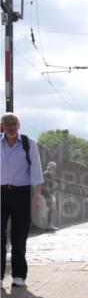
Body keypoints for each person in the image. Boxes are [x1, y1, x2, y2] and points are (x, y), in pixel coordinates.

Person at [1, 113, 45, 287]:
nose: (11, 127)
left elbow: (37, 171)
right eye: (7, 124)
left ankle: (19, 275)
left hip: (21, 193)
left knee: (19, 236)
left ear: (19, 125)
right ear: (2, 125)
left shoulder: (28, 144)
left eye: (14, 123)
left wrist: (37, 196)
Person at [41, 161, 58, 231]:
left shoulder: (50, 176)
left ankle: (50, 224)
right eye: (52, 169)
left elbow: (52, 186)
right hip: (44, 194)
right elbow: (44, 186)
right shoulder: (44, 175)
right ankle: (49, 225)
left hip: (49, 194)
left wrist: (52, 194)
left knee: (52, 208)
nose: (53, 170)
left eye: (53, 169)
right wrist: (50, 194)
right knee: (51, 208)